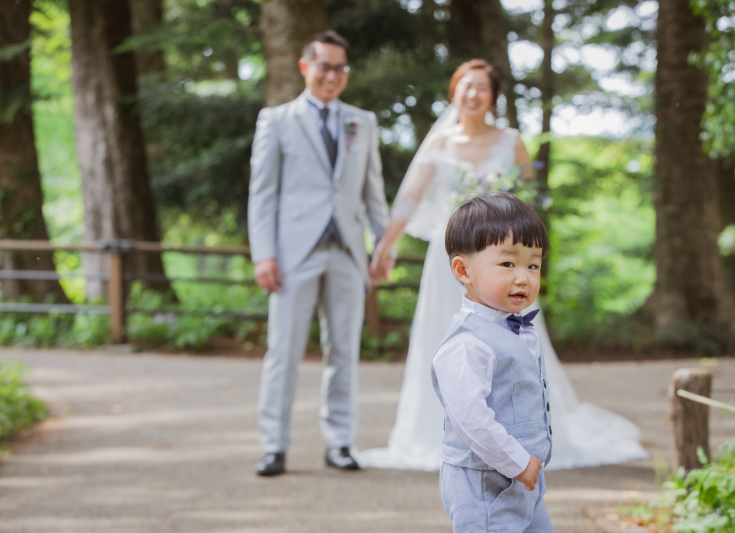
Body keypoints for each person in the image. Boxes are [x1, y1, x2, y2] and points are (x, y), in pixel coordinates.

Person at [359, 60, 647, 471]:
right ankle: (438, 432)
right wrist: (384, 247)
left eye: (482, 88)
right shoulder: (439, 144)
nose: (473, 94)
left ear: (493, 97)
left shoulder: (510, 140)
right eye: (466, 86)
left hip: (504, 256)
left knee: (512, 336)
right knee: (442, 336)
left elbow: (528, 196)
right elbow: (407, 200)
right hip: (450, 260)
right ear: (454, 92)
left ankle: (521, 431)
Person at [248, 30, 390, 476]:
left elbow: (373, 192)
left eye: (340, 68)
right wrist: (263, 254)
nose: (332, 75)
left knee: (344, 352)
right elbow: (262, 194)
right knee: (283, 353)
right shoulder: (276, 120)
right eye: (325, 66)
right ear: (305, 67)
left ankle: (340, 443)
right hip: (293, 255)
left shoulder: (362, 122)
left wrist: (383, 245)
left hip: (348, 252)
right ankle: (274, 446)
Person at [433, 193, 554, 532]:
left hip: (525, 479)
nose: (523, 277)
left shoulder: (518, 329)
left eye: (533, 265)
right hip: (485, 485)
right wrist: (517, 463)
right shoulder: (467, 342)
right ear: (463, 270)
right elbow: (470, 419)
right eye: (508, 264)